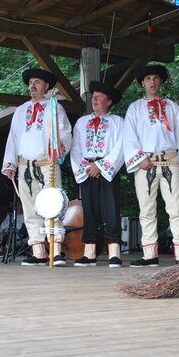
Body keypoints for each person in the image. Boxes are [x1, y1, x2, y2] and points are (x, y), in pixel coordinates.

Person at [123, 65, 179, 266]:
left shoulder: (171, 106)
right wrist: (139, 159)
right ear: (142, 83)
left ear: (160, 81)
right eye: (148, 79)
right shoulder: (135, 108)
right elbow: (129, 137)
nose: (152, 82)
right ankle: (150, 254)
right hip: (146, 163)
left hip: (171, 161)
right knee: (146, 209)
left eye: (155, 78)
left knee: (176, 208)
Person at [2, 68, 72, 266]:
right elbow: (13, 139)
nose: (33, 86)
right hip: (25, 165)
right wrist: (10, 163)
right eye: (31, 82)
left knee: (53, 206)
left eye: (37, 82)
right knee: (30, 208)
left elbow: (66, 133)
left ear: (46, 86)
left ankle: (56, 250)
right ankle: (38, 251)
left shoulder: (55, 107)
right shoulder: (21, 110)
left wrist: (59, 147)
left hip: (47, 163)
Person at [70, 81, 124, 268]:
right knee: (90, 210)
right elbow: (75, 147)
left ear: (109, 101)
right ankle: (89, 253)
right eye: (94, 97)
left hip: (108, 170)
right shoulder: (82, 122)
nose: (95, 100)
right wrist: (86, 167)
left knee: (111, 210)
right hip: (87, 169)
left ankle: (114, 253)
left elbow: (121, 147)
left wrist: (101, 166)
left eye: (100, 97)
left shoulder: (118, 122)